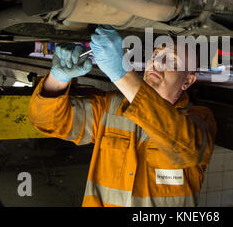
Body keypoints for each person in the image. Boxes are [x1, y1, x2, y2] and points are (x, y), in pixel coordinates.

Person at [28, 26, 217, 207]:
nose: (158, 64)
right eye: (156, 55)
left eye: (172, 61)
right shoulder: (111, 107)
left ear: (188, 81)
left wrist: (121, 74)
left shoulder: (198, 120)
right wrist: (57, 79)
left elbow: (187, 150)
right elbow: (47, 121)